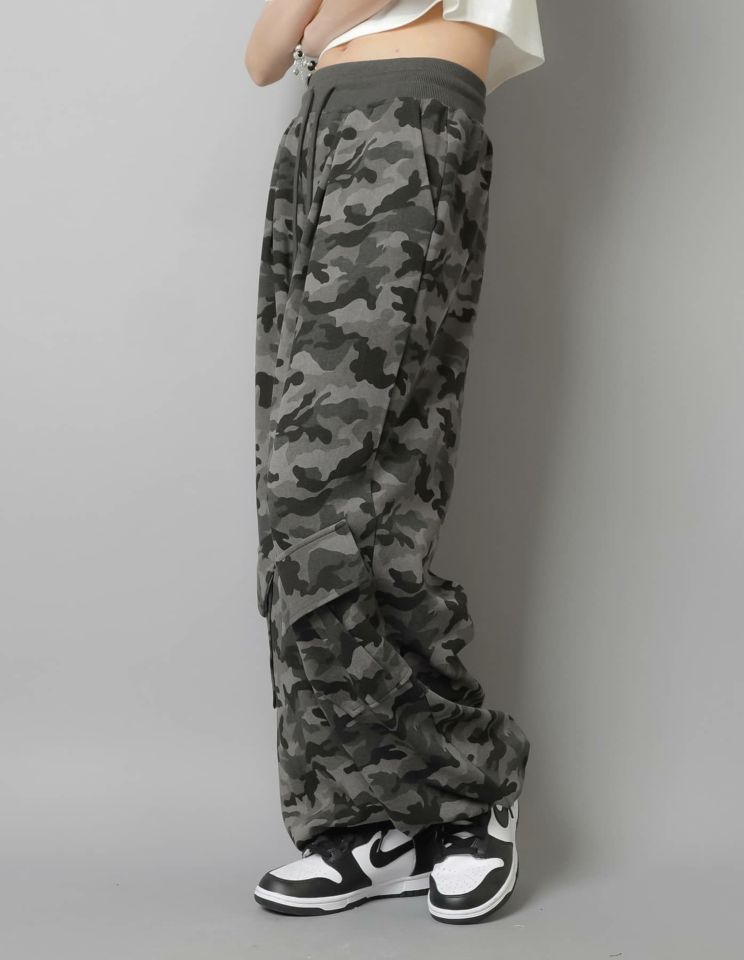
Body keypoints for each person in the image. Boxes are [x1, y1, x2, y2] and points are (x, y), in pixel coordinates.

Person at [244, 0, 544, 924]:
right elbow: (264, 54)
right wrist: (316, 27)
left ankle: (471, 784)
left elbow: (312, 23)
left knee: (334, 496)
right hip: (321, 131)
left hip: (409, 116)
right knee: (302, 498)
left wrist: (317, 25)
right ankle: (371, 818)